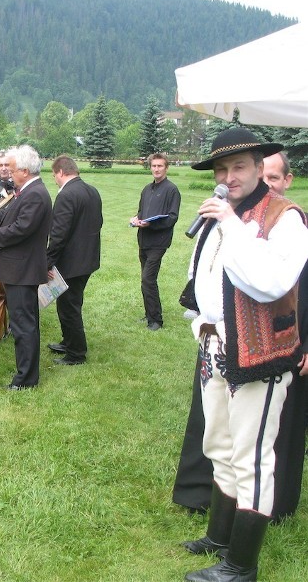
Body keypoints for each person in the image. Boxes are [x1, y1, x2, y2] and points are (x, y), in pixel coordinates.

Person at [179, 127, 308, 582]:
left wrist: (232, 225)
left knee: (252, 456)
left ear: (259, 169)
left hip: (260, 357)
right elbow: (202, 279)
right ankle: (220, 536)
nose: (228, 177)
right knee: (218, 444)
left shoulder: (284, 218)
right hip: (216, 348)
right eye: (221, 169)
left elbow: (270, 283)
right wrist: (201, 324)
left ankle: (241, 565)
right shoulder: (221, 214)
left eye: (238, 167)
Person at [0, 145, 52, 390]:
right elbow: (6, 218)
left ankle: (25, 380)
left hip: (22, 271)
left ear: (25, 171)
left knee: (23, 326)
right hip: (20, 270)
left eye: (13, 169)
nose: (9, 173)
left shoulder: (35, 194)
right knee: (25, 324)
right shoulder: (27, 192)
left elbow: (20, 230)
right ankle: (27, 375)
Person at [45, 155, 103, 365]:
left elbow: (58, 234)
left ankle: (76, 353)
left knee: (69, 307)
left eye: (54, 175)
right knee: (69, 303)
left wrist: (47, 262)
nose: (55, 180)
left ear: (61, 172)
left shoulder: (66, 194)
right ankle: (69, 342)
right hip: (87, 259)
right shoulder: (92, 190)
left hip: (71, 263)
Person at [129, 153, 181, 331]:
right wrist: (136, 219)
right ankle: (149, 313)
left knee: (148, 279)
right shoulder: (146, 189)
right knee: (146, 279)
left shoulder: (172, 190)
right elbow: (141, 211)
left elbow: (172, 218)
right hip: (143, 240)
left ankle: (156, 320)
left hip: (158, 242)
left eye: (160, 166)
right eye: (154, 166)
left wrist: (152, 224)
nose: (156, 169)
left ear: (166, 168)